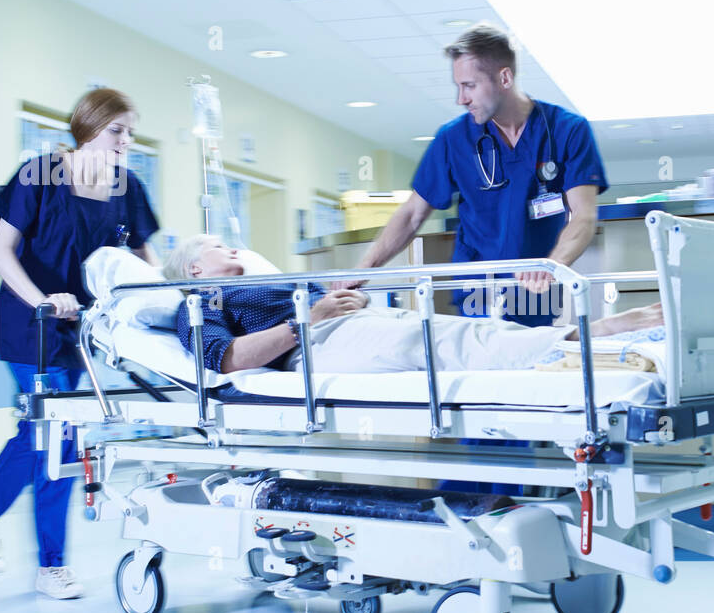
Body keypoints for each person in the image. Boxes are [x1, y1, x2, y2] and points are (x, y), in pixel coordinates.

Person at [0, 88, 160, 599]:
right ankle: (51, 565)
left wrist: (158, 304)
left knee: (43, 435)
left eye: (130, 132)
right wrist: (41, 301)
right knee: (59, 437)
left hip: (80, 328)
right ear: (87, 127)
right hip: (29, 324)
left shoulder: (127, 185)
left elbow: (142, 258)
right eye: (117, 130)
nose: (126, 141)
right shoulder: (40, 173)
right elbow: (1, 251)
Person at [335, 22, 608, 328]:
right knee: (485, 361)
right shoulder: (454, 138)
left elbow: (584, 216)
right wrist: (364, 268)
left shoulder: (567, 130)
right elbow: (412, 214)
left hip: (536, 285)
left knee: (535, 362)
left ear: (504, 77)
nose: (460, 98)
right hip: (478, 285)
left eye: (469, 85)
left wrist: (552, 264)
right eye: (458, 86)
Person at [166, 236, 661, 376]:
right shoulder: (197, 302)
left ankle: (582, 340)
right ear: (193, 267)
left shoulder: (271, 280)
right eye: (216, 245)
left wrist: (347, 300)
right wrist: (307, 320)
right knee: (443, 343)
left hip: (351, 321)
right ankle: (593, 334)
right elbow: (226, 359)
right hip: (313, 344)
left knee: (468, 330)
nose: (232, 248)